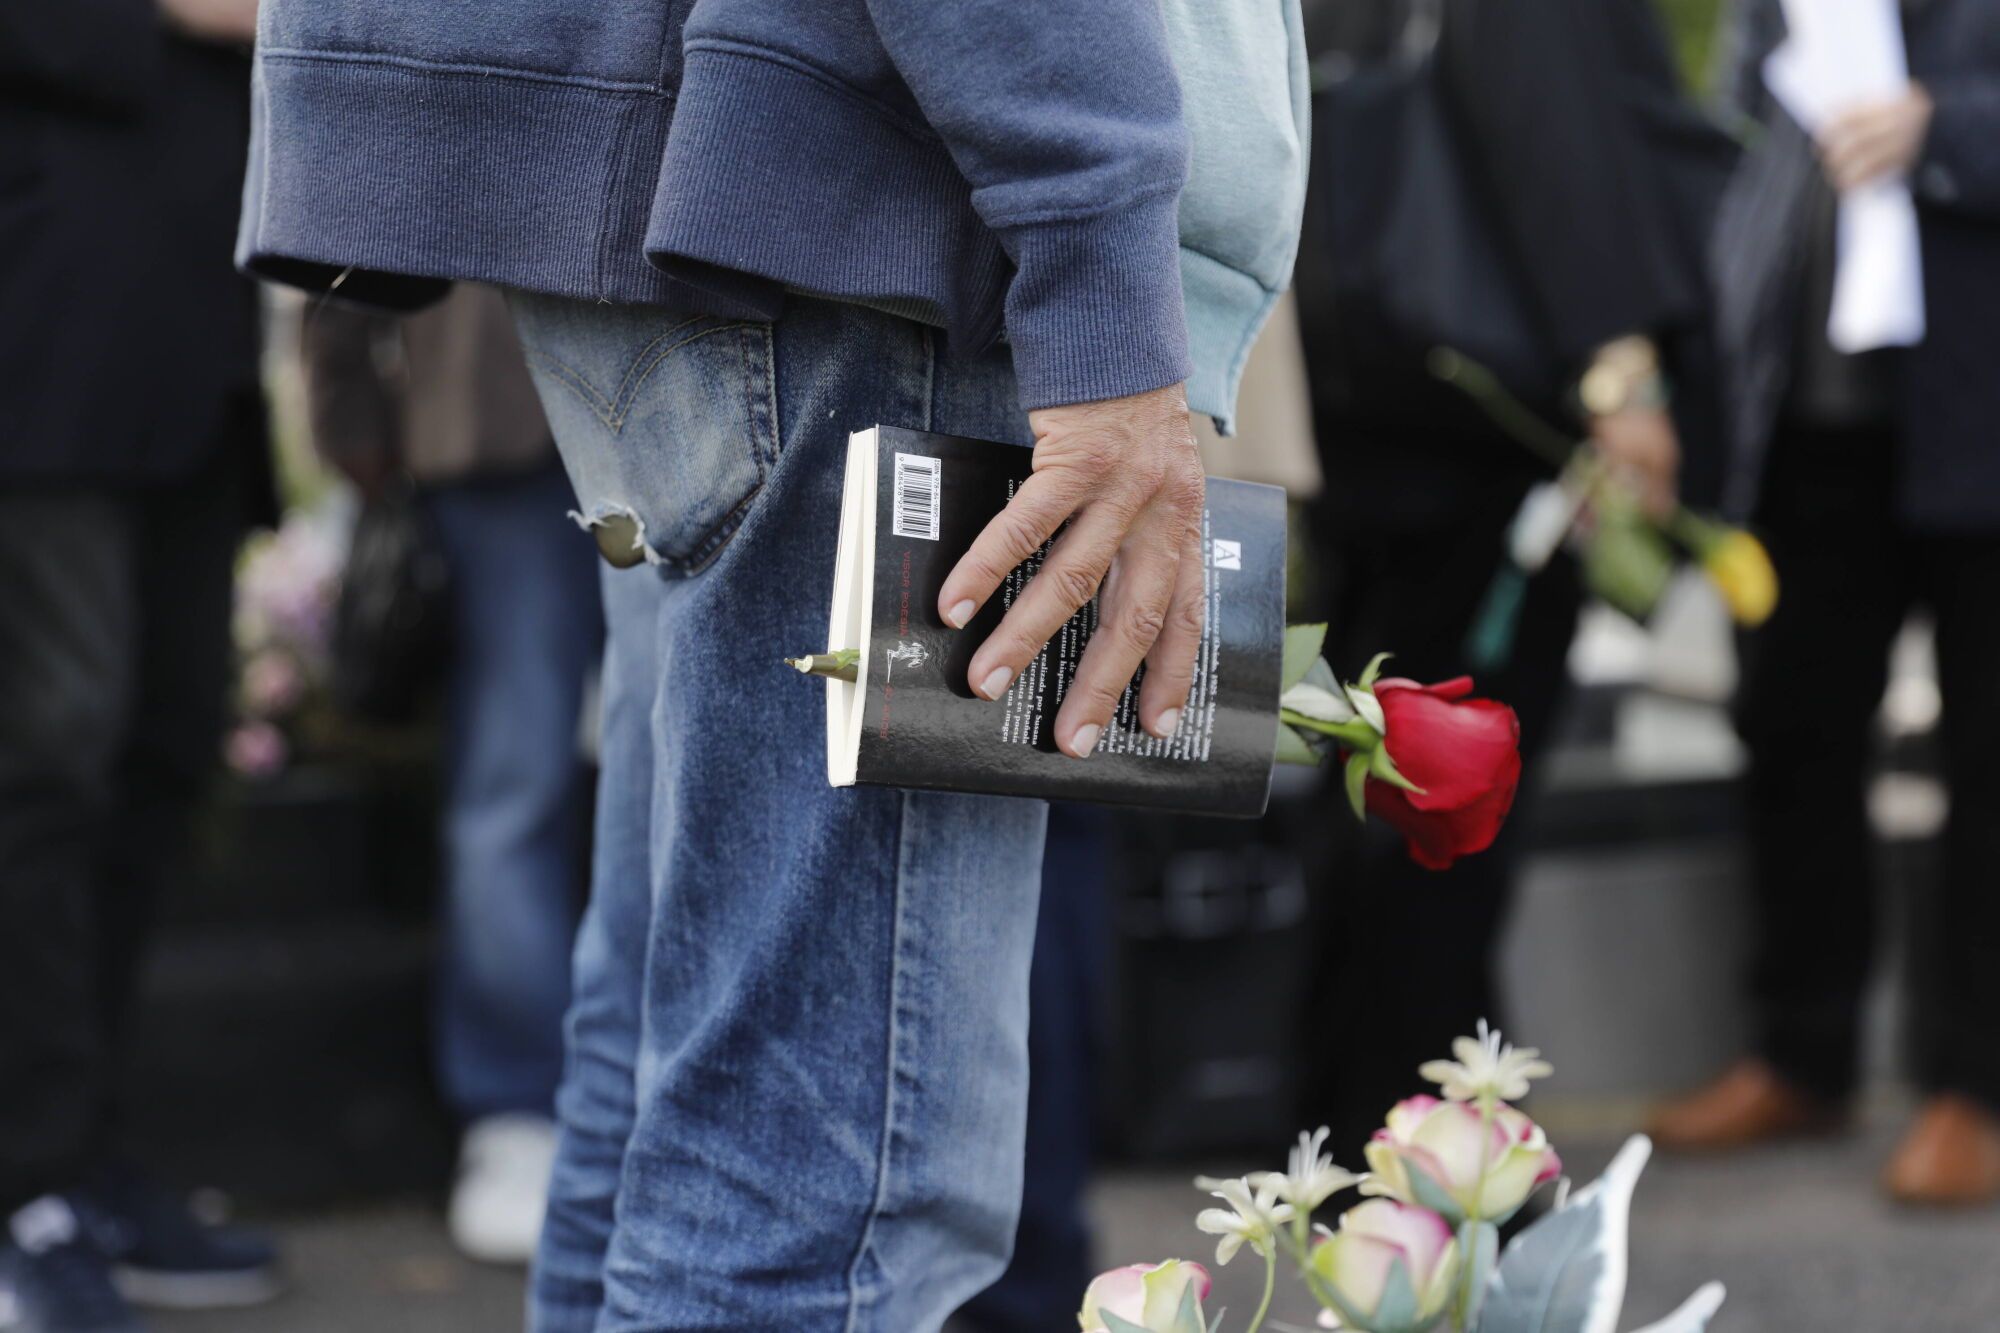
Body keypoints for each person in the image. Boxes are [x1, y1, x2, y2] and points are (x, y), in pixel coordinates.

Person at [239, 2, 1305, 1328]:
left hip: (728, 157)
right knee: (831, 1192)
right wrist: (1096, 268)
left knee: (666, 1090)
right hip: (879, 205)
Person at [1291, 0, 1733, 1154]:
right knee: (1446, 800)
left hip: (1367, 401)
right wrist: (1622, 373)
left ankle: (1352, 1114)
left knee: (1374, 775)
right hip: (1487, 427)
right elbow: (1559, 132)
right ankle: (1423, 1136)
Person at [1649, 0, 2000, 1207]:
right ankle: (1801, 1052)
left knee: (1985, 760)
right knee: (1790, 730)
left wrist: (1946, 129)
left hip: (1977, 417)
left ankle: (1973, 1086)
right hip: (1809, 423)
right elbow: (1723, 147)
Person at [0, 3, 281, 1329]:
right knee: (43, 767)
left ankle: (81, 1152)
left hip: (191, 346)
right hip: (37, 343)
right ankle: (25, 1186)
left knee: (161, 752)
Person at [301, 285, 604, 1262]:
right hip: (503, 403)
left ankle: (647, 1098)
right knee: (513, 784)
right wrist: (346, 393)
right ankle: (519, 1105)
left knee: (707, 772)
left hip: (719, 384)